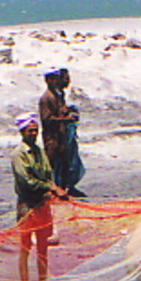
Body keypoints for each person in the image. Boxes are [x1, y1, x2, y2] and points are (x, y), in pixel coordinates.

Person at [13, 112, 66, 281]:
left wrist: (54, 188)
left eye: (36, 130)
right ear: (22, 132)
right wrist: (50, 188)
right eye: (30, 130)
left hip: (43, 204)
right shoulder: (19, 154)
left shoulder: (39, 152)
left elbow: (48, 175)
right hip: (27, 206)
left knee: (43, 247)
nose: (34, 134)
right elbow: (26, 181)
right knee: (25, 247)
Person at [39, 67, 85, 198]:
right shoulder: (46, 98)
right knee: (52, 164)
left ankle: (66, 189)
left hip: (61, 136)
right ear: (47, 80)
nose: (56, 81)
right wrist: (66, 119)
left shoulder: (59, 95)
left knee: (65, 163)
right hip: (52, 138)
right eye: (53, 79)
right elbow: (47, 119)